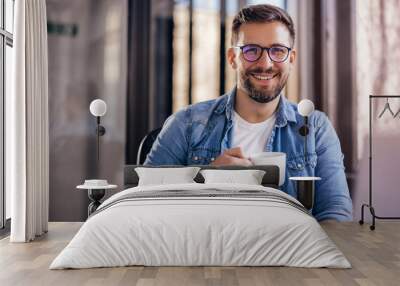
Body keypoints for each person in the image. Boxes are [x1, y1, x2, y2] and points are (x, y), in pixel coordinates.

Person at [145, 4, 353, 221]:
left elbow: (336, 213)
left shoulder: (316, 128)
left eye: (278, 50)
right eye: (251, 50)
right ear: (233, 58)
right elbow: (143, 203)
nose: (266, 63)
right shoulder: (186, 123)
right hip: (207, 252)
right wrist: (205, 179)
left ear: (291, 59)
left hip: (290, 253)